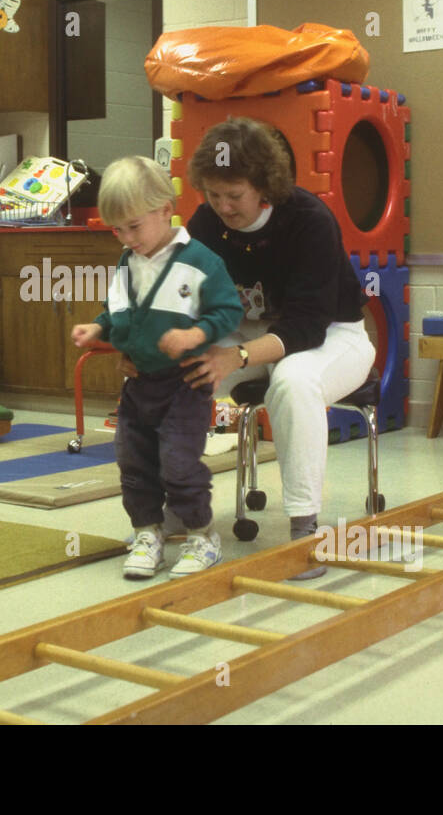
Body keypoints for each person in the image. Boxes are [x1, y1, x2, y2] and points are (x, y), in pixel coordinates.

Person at [180, 117, 375, 577]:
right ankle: (175, 504)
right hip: (247, 331)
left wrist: (238, 357)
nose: (223, 207)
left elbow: (306, 328)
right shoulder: (207, 222)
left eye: (235, 196)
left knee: (293, 380)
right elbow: (183, 291)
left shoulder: (309, 220)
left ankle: (303, 526)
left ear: (263, 187)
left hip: (334, 336)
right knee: (180, 369)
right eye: (214, 195)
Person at [70, 156, 243, 579]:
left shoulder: (200, 261)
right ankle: (148, 532)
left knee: (179, 462)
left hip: (185, 384)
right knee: (133, 460)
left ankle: (202, 535)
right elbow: (119, 311)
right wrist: (98, 327)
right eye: (117, 230)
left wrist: (195, 335)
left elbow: (229, 311)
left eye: (134, 226)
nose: (127, 239)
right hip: (139, 385)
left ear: (166, 210)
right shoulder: (127, 262)